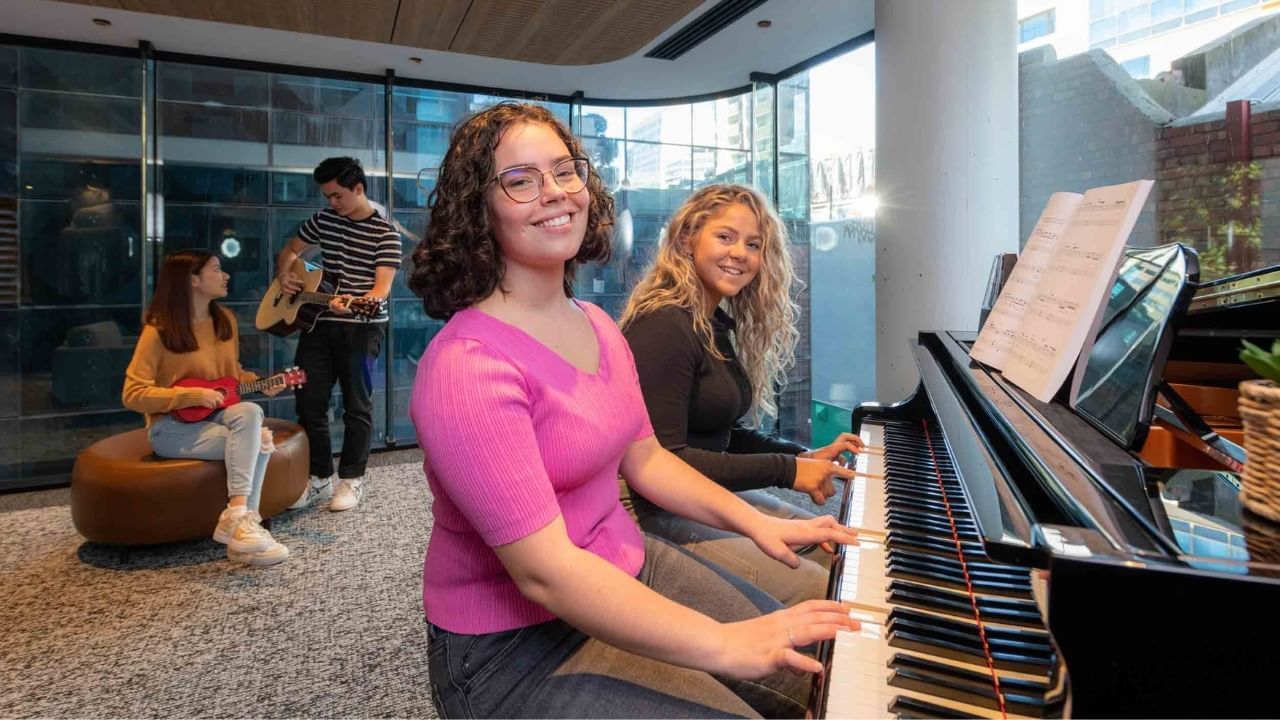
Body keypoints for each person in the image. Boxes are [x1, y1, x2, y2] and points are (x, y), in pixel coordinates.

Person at [408, 102, 859, 719]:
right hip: (512, 645)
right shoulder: (465, 366)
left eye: (565, 172)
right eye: (520, 180)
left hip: (625, 564)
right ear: (478, 208)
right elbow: (546, 575)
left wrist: (755, 522)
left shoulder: (595, 322)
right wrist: (723, 644)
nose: (555, 194)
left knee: (819, 670)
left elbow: (647, 460)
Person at [619, 183, 864, 606]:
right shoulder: (664, 324)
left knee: (836, 548)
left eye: (753, 244)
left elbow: (722, 433)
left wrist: (799, 456)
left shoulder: (709, 319)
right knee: (819, 587)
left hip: (696, 489)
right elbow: (665, 460)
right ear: (687, 238)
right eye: (725, 236)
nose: (740, 254)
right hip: (648, 507)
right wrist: (786, 472)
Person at [122, 250, 288, 566]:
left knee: (251, 412)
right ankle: (243, 535)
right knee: (261, 442)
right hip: (170, 428)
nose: (225, 275)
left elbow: (230, 375)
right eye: (216, 269)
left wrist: (261, 382)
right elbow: (132, 394)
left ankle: (238, 520)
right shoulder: (158, 330)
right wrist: (188, 397)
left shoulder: (223, 320)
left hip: (219, 416)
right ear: (192, 280)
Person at [275, 157, 402, 512]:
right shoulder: (324, 220)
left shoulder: (385, 234)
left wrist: (356, 303)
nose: (331, 203)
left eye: (336, 195)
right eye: (327, 196)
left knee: (356, 405)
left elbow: (380, 291)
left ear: (358, 189)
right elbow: (290, 251)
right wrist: (285, 275)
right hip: (317, 322)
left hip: (362, 327)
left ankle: (351, 479)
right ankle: (318, 478)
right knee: (309, 401)